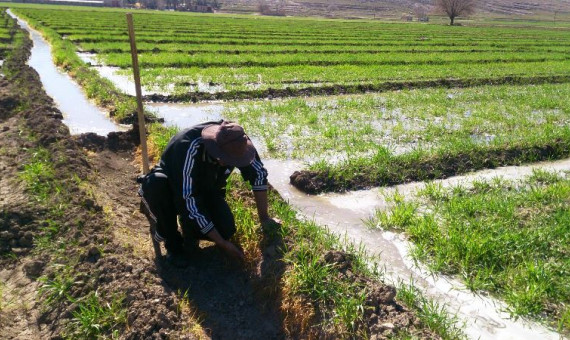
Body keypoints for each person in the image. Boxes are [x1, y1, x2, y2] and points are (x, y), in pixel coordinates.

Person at [138, 120, 280, 267]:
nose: (230, 163)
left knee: (225, 229)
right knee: (157, 185)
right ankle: (173, 243)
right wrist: (222, 244)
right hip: (173, 186)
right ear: (215, 148)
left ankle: (190, 231)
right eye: (226, 159)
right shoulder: (188, 147)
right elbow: (187, 200)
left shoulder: (239, 142)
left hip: (207, 187)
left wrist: (264, 218)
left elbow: (258, 174)